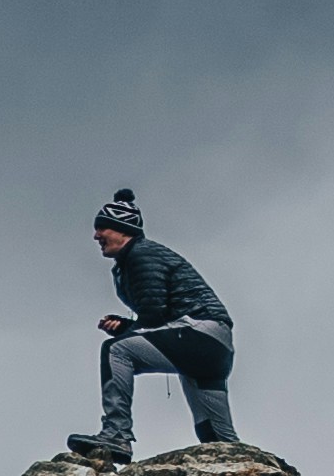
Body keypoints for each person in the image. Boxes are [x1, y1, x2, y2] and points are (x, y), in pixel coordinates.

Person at [73, 186, 235, 460]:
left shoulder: (141, 255)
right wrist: (127, 327)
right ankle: (246, 467)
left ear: (123, 230)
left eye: (103, 229)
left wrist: (126, 330)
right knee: (218, 440)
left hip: (198, 334)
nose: (96, 235)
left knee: (116, 350)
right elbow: (157, 316)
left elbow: (153, 315)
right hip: (213, 345)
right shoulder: (136, 258)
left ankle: (116, 434)